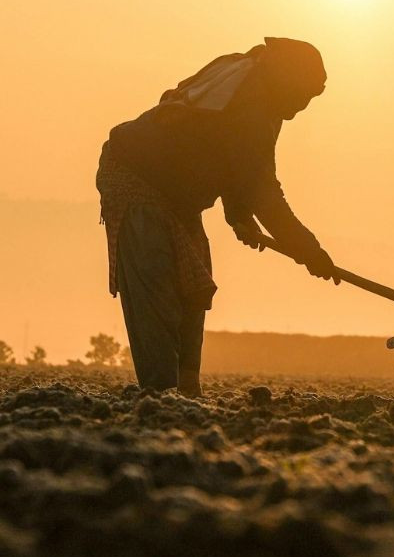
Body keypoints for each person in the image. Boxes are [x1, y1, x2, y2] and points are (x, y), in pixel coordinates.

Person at [96, 37, 338, 396]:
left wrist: (238, 214)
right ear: (286, 80)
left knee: (193, 286)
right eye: (303, 95)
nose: (302, 107)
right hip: (135, 176)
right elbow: (263, 191)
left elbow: (230, 159)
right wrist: (310, 252)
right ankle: (161, 395)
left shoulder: (253, 83)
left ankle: (187, 392)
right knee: (156, 285)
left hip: (178, 194)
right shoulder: (252, 106)